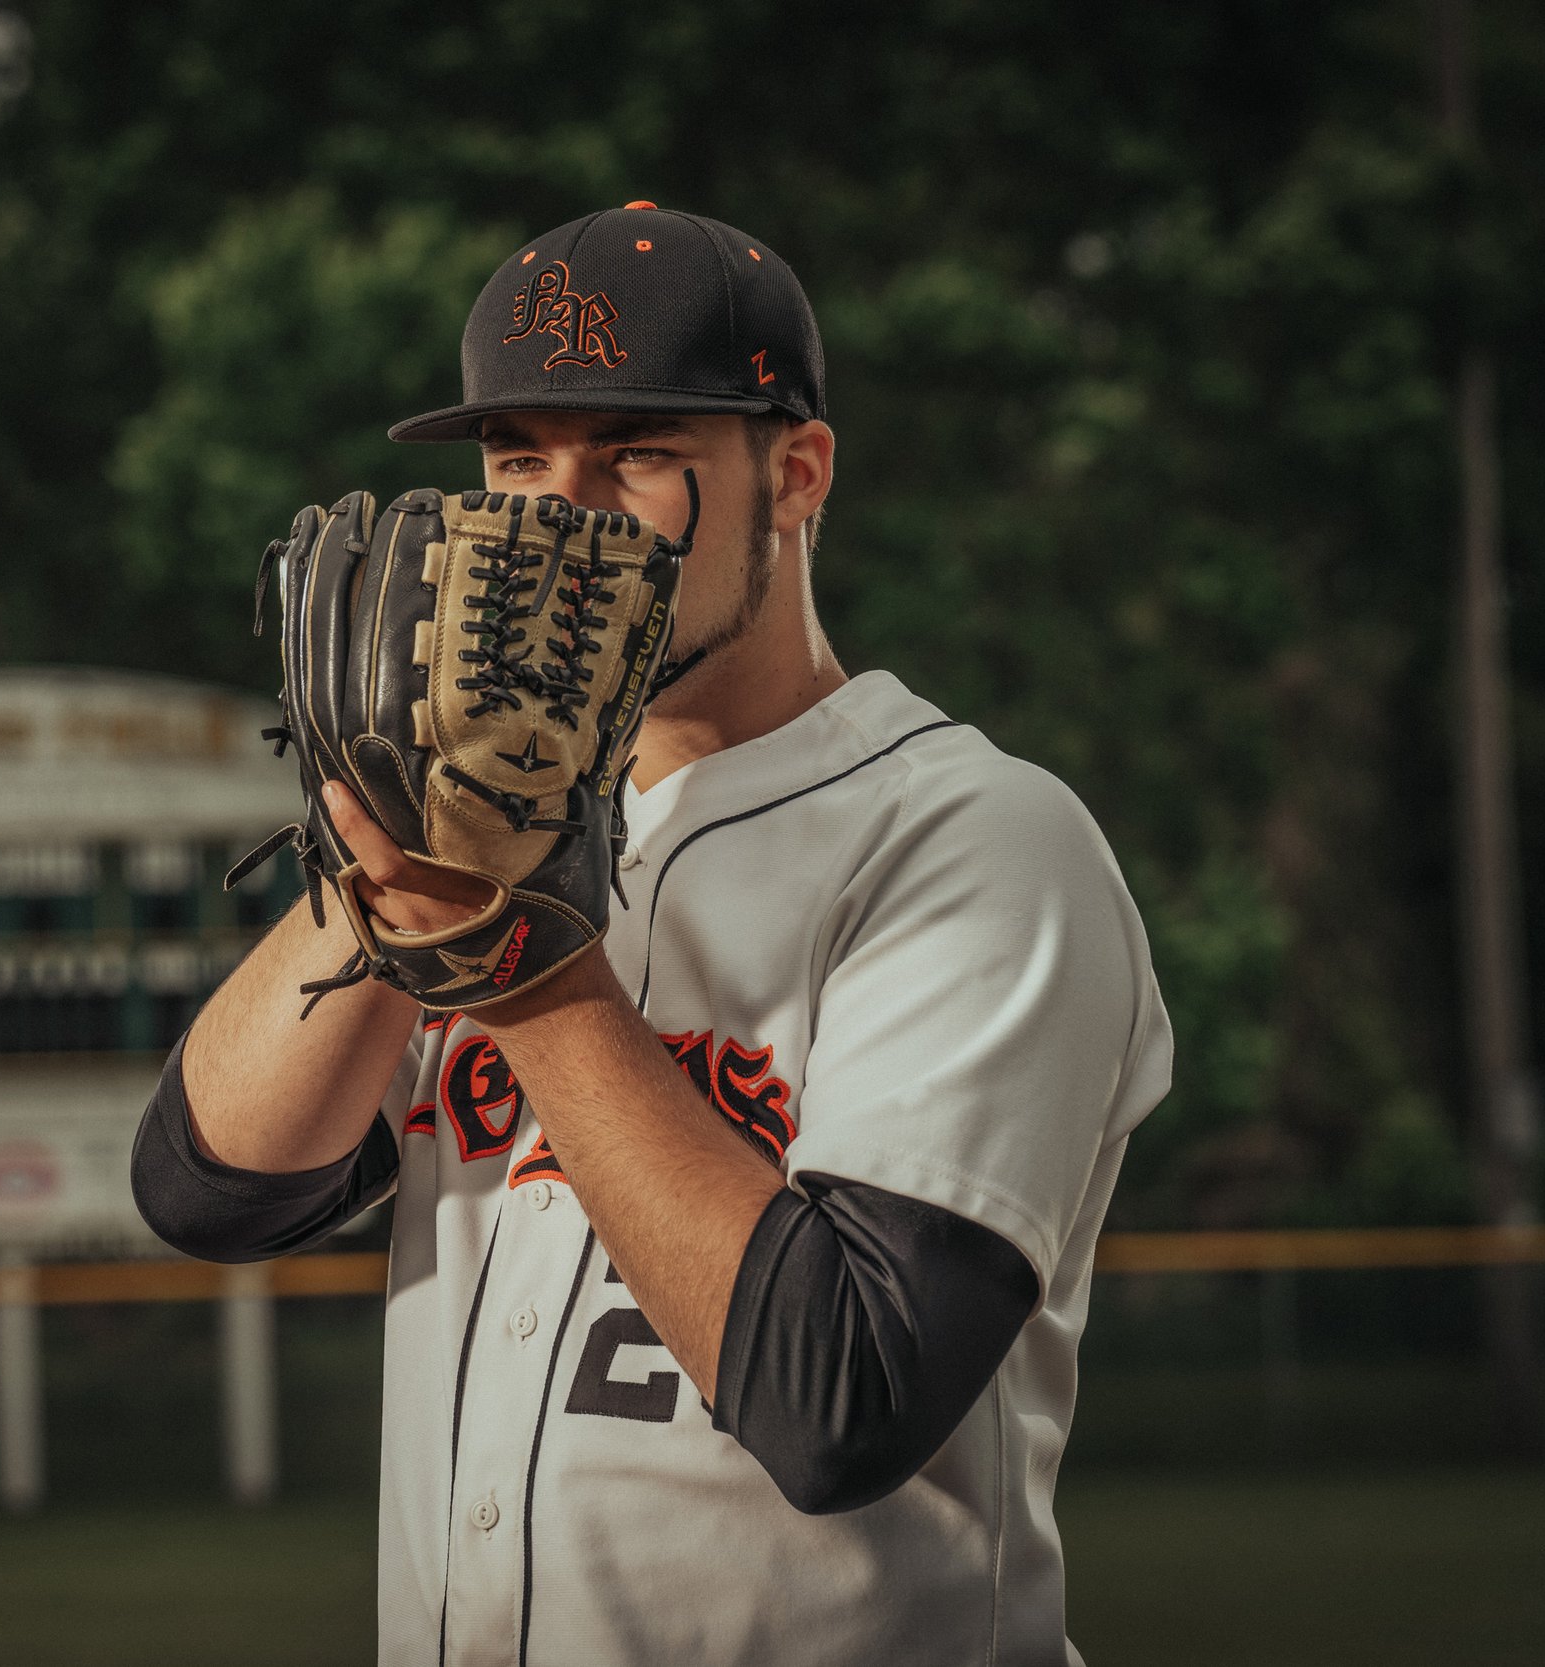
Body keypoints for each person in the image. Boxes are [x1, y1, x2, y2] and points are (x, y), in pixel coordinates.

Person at [132, 203, 1174, 1667]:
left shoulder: (977, 838)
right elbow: (209, 1190)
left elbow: (841, 1400)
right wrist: (388, 876)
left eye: (633, 454)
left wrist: (523, 981)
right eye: (517, 459)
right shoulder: (490, 821)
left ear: (796, 472)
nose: (559, 514)